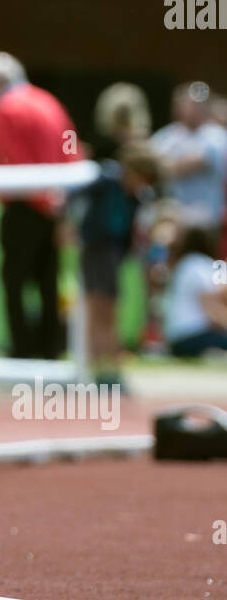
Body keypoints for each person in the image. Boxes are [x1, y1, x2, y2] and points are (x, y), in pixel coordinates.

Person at [0, 52, 77, 360]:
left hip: (22, 207)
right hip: (54, 209)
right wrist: (61, 209)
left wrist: (39, 199)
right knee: (49, 281)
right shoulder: (50, 102)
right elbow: (71, 151)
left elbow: (10, 161)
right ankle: (52, 347)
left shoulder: (4, 109)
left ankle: (22, 349)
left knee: (14, 281)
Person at [68, 139, 160, 385]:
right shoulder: (106, 181)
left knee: (106, 310)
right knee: (100, 308)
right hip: (97, 248)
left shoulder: (134, 197)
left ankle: (106, 366)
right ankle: (101, 367)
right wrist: (68, 226)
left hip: (112, 252)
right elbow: (75, 198)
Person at [151, 82, 227, 233]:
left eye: (196, 104)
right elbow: (150, 166)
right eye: (186, 103)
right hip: (172, 221)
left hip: (206, 221)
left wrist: (165, 166)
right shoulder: (167, 135)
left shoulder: (216, 135)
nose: (191, 108)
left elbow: (196, 163)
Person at [162, 225, 227, 357]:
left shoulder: (184, 264)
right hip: (192, 336)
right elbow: (212, 309)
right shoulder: (199, 264)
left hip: (176, 340)